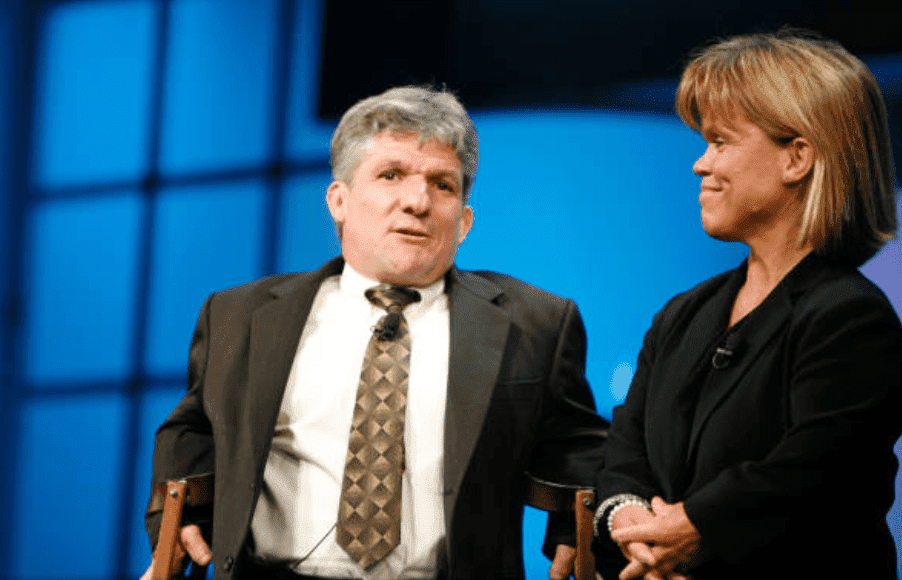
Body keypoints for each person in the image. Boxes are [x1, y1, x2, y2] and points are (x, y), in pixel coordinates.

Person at [141, 85, 608, 580]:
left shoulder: (535, 323)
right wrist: (184, 511)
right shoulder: (240, 315)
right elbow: (194, 426)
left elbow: (580, 443)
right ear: (338, 201)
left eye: (443, 185)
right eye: (391, 175)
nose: (417, 201)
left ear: (465, 220)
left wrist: (570, 529)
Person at [593, 30, 902, 580]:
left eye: (720, 142)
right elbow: (626, 450)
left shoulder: (850, 318)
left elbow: (814, 475)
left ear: (797, 159)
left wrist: (694, 527)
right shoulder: (682, 315)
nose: (699, 165)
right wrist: (632, 523)